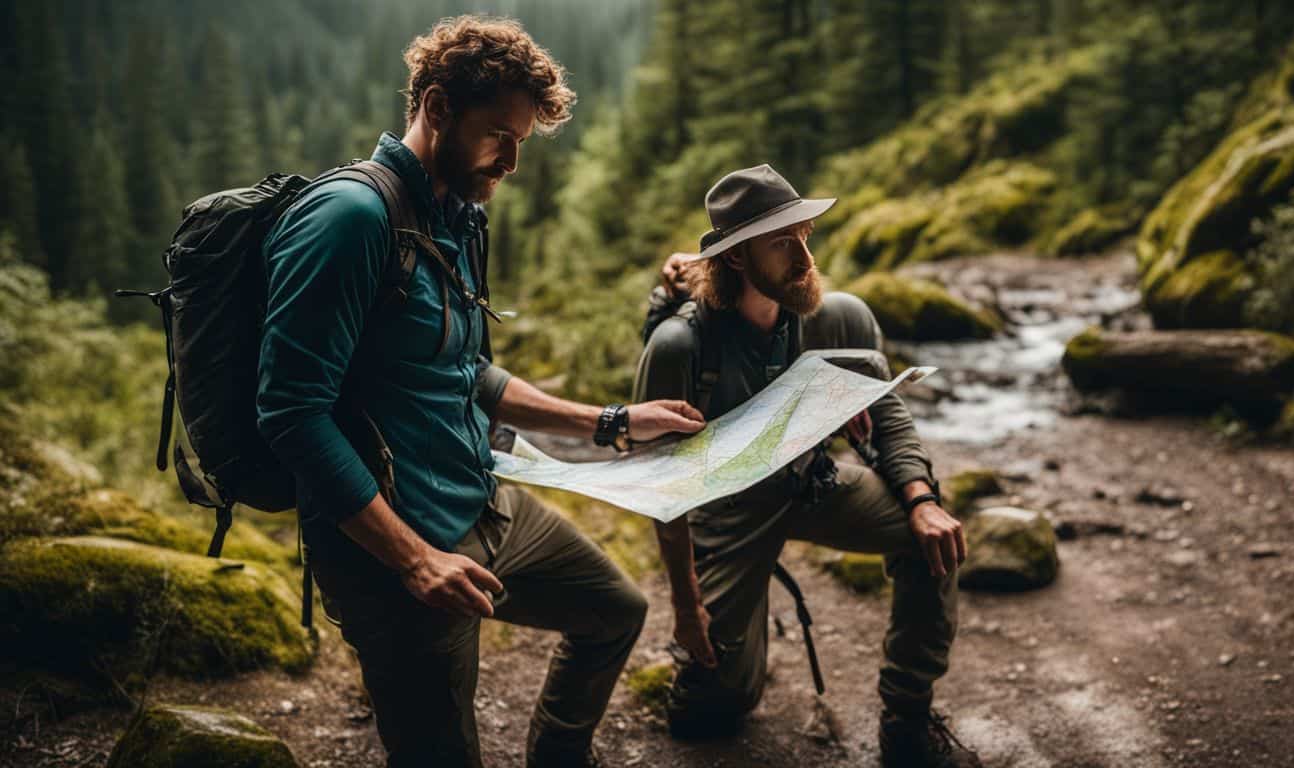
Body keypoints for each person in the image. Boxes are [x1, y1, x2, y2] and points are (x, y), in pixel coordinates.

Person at [256, 16, 703, 768]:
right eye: (500, 135)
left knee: (614, 612)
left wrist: (613, 420)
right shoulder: (350, 220)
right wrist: (413, 561)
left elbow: (467, 372)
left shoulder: (456, 216)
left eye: (522, 139)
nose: (513, 161)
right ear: (436, 109)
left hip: (484, 498)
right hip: (395, 552)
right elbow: (290, 411)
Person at [634, 164, 980, 767]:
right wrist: (687, 608)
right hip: (727, 512)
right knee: (709, 712)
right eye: (780, 242)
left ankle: (907, 720)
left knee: (931, 539)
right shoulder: (680, 347)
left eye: (805, 233)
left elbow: (889, 415)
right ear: (737, 258)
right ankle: (730, 646)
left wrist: (923, 501)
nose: (803, 255)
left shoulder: (836, 317)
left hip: (812, 484)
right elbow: (663, 486)